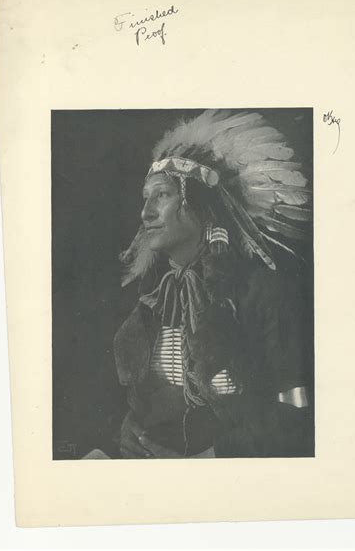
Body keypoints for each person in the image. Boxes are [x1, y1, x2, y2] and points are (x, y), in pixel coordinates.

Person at [113, 110, 314, 458]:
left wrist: (210, 459)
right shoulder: (155, 295)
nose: (145, 213)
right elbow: (149, 395)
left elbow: (297, 414)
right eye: (145, 198)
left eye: (161, 196)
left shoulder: (263, 291)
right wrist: (129, 425)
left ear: (199, 204)